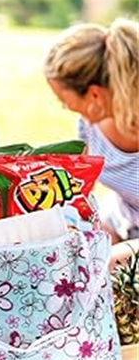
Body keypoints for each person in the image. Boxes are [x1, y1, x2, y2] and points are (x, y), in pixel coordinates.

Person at [44, 17, 139, 267]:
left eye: (63, 99)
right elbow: (79, 195)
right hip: (121, 221)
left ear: (95, 94)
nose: (66, 107)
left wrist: (109, 257)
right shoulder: (90, 125)